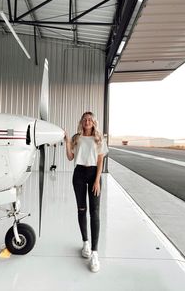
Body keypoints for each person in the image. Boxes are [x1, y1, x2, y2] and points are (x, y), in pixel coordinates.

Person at [64, 111, 108, 273]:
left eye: (90, 119)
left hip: (93, 174)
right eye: (85, 119)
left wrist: (97, 180)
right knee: (82, 210)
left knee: (94, 212)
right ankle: (86, 243)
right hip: (79, 175)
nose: (87, 121)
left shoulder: (99, 139)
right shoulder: (77, 138)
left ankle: (95, 254)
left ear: (94, 122)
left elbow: (100, 159)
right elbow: (70, 157)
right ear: (82, 122)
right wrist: (67, 142)